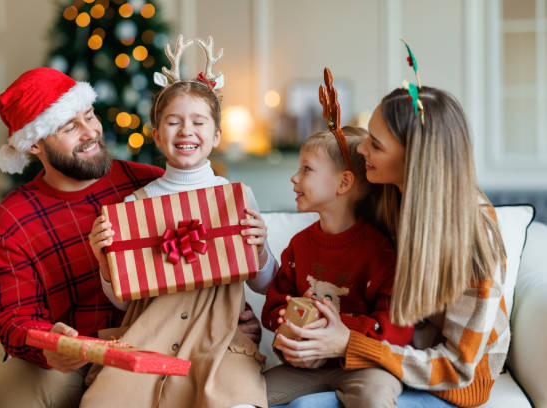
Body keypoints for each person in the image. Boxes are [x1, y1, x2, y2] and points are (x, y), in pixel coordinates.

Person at [0, 67, 262, 408]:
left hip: (155, 340)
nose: (91, 133)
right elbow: (15, 321)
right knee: (14, 387)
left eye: (89, 116)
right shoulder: (13, 220)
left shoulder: (148, 184)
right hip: (74, 356)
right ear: (36, 143)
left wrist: (235, 320)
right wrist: (50, 345)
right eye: (70, 126)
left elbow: (206, 257)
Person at [270, 86, 509, 408]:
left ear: (413, 158)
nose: (363, 149)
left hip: (445, 381)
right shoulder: (386, 196)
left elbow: (458, 367)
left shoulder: (473, 233)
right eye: (369, 135)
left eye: (376, 145)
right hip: (379, 358)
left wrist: (348, 345)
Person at [80, 36, 276, 408]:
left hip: (219, 344)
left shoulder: (237, 196)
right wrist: (105, 263)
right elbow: (123, 304)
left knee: (238, 402)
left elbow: (265, 282)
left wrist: (261, 249)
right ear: (157, 135)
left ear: (216, 135)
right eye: (173, 122)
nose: (186, 131)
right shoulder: (136, 204)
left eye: (199, 122)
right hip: (147, 337)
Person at [261, 129, 414, 408]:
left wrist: (335, 330)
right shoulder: (299, 246)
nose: (294, 178)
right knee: (249, 394)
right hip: (305, 368)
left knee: (375, 397)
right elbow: (273, 308)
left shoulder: (380, 251)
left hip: (366, 367)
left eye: (307, 169)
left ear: (343, 183)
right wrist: (293, 338)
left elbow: (396, 328)